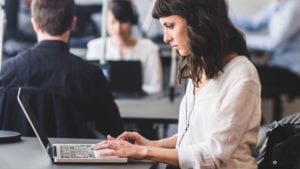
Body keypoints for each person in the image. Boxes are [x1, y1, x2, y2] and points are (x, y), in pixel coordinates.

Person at [91, 0, 262, 168]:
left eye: (170, 26)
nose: (166, 37)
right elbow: (195, 134)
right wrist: (151, 144)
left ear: (198, 22)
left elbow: (212, 155)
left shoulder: (242, 74)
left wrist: (143, 152)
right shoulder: (199, 65)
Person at [0, 0, 124, 137]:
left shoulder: (7, 72)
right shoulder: (91, 75)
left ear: (35, 24)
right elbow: (116, 133)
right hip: (74, 158)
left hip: (16, 158)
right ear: (73, 23)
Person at [86, 0, 163, 95]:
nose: (118, 28)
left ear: (131, 22)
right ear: (106, 22)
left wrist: (129, 89)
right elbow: (90, 85)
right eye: (113, 22)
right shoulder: (95, 47)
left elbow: (155, 87)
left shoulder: (149, 49)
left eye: (123, 21)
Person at [231, 0, 300, 75]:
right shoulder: (278, 3)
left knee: (243, 72)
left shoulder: (295, 6)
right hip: (274, 62)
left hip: (288, 68)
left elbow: (273, 43)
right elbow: (254, 23)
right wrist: (227, 18)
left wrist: (241, 38)